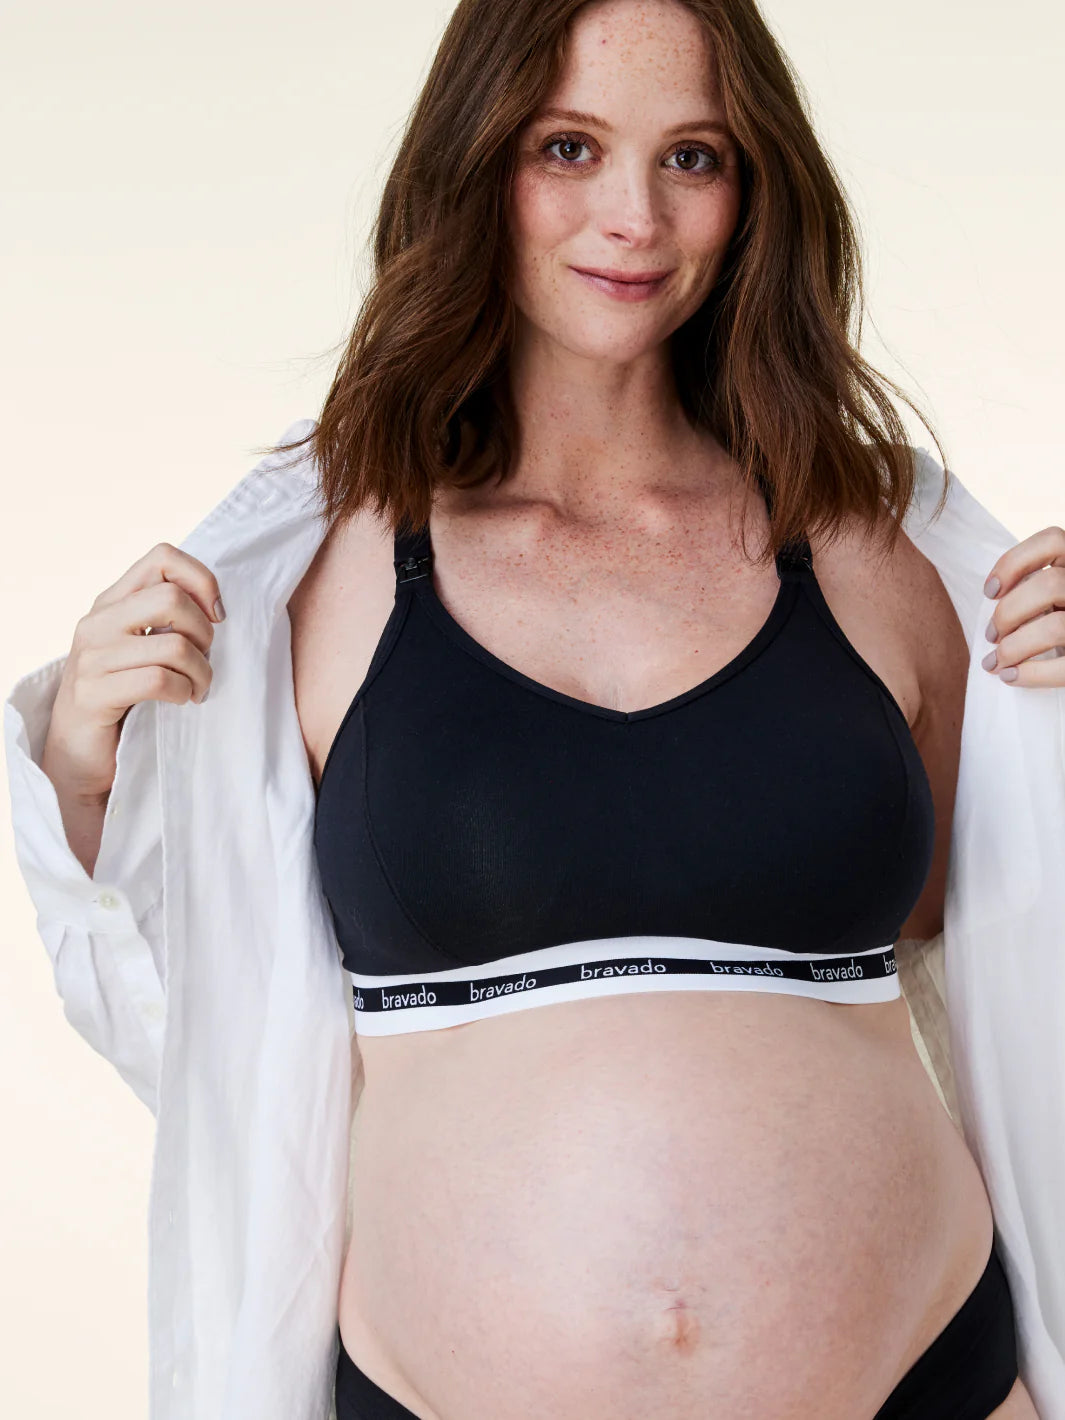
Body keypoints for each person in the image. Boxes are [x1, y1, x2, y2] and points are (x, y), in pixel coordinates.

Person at [6, 1, 1065, 1417]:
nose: (635, 216)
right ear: (473, 162)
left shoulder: (878, 546)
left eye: (692, 156)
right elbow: (195, 1003)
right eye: (568, 147)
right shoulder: (322, 565)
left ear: (754, 191)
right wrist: (84, 769)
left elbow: (995, 921)